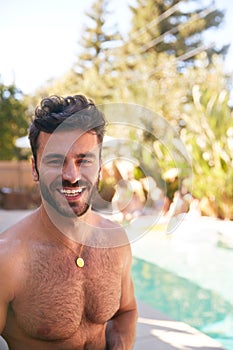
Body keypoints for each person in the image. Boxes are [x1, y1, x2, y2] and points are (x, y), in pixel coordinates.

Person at [0, 95, 138, 350]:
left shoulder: (116, 241)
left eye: (83, 159)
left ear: (98, 167)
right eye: (55, 160)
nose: (71, 176)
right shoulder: (7, 258)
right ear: (34, 168)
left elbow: (126, 311)